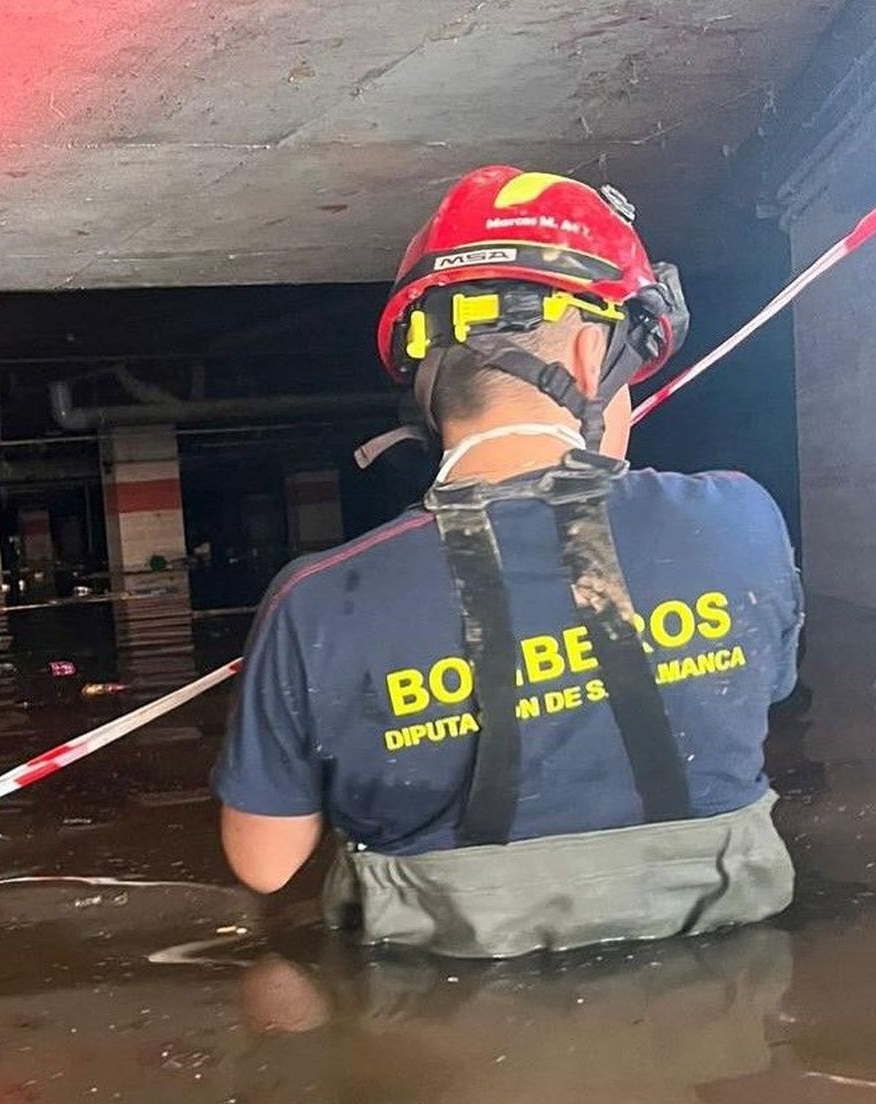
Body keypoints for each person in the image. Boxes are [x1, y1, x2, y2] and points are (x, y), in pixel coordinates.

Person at [211, 166, 804, 958]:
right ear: (594, 358)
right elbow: (767, 693)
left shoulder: (314, 602)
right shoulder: (739, 521)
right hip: (726, 1020)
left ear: (427, 386)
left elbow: (265, 863)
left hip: (442, 1041)